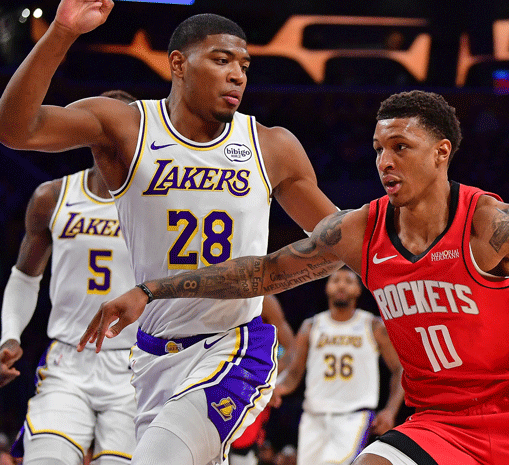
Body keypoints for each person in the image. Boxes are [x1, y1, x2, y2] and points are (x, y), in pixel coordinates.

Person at [82, 90, 509, 465]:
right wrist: (153, 288)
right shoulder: (359, 231)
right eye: (378, 147)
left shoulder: (490, 222)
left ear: (441, 152)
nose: (384, 160)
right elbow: (265, 272)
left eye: (400, 147)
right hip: (439, 422)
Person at [0, 1, 339, 464]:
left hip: (233, 348)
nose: (237, 74)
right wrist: (61, 31)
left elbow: (337, 243)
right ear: (178, 64)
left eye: (244, 65)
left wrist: (270, 275)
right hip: (151, 357)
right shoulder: (127, 126)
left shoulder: (270, 145)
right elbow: (16, 128)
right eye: (221, 60)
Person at [0, 89, 138, 464]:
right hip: (69, 360)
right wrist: (9, 335)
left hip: (137, 365)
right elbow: (25, 277)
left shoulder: (160, 202)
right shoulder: (52, 196)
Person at [269, 267, 404, 465]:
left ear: (359, 289)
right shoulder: (311, 326)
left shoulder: (372, 325)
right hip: (313, 417)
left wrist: (390, 410)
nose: (341, 284)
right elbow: (294, 373)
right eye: (336, 280)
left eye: (348, 281)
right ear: (327, 288)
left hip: (353, 417)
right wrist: (276, 387)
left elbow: (400, 370)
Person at [229, 295, 297, 465]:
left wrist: (268, 380)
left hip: (247, 386)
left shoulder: (265, 301)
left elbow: (290, 349)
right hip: (207, 377)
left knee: (241, 452)